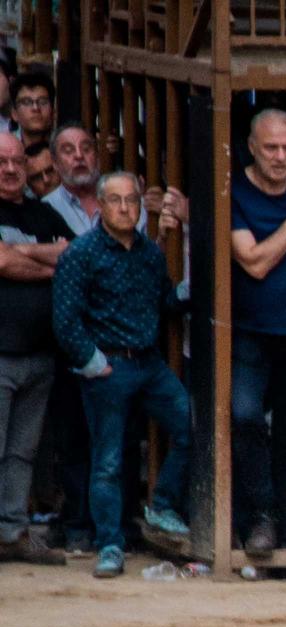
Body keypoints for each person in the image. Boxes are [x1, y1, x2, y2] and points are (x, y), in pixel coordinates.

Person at [51, 171, 195, 578]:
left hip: (147, 361)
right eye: (115, 200)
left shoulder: (149, 253)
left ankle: (162, 503)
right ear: (100, 205)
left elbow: (163, 300)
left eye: (132, 200)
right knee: (108, 460)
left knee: (191, 425)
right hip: (108, 365)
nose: (125, 207)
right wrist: (93, 361)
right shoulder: (82, 253)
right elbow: (65, 321)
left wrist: (185, 291)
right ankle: (110, 545)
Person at [228, 109, 286, 558]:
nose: (282, 156)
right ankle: (259, 517)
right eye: (271, 147)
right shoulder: (237, 192)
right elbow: (256, 261)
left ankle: (284, 532)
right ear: (251, 147)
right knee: (245, 417)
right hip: (247, 330)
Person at [0, 129, 69, 564]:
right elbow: (0, 260)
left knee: (22, 451)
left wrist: (20, 252)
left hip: (40, 354)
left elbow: (74, 255)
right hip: (0, 353)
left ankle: (11, 532)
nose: (10, 169)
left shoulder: (43, 213)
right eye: (1, 162)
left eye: (16, 161)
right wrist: (46, 260)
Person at [8, 70, 53, 148]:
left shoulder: (60, 147)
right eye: (27, 102)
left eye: (42, 102)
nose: (36, 108)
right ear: (14, 114)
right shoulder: (4, 146)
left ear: (53, 112)